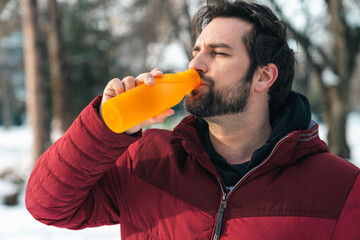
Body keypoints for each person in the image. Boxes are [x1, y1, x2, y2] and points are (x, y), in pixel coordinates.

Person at [25, 0, 360, 239]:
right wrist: (105, 127)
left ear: (263, 77)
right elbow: (49, 205)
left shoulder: (341, 189)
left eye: (218, 53)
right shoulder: (148, 160)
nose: (196, 65)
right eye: (196, 51)